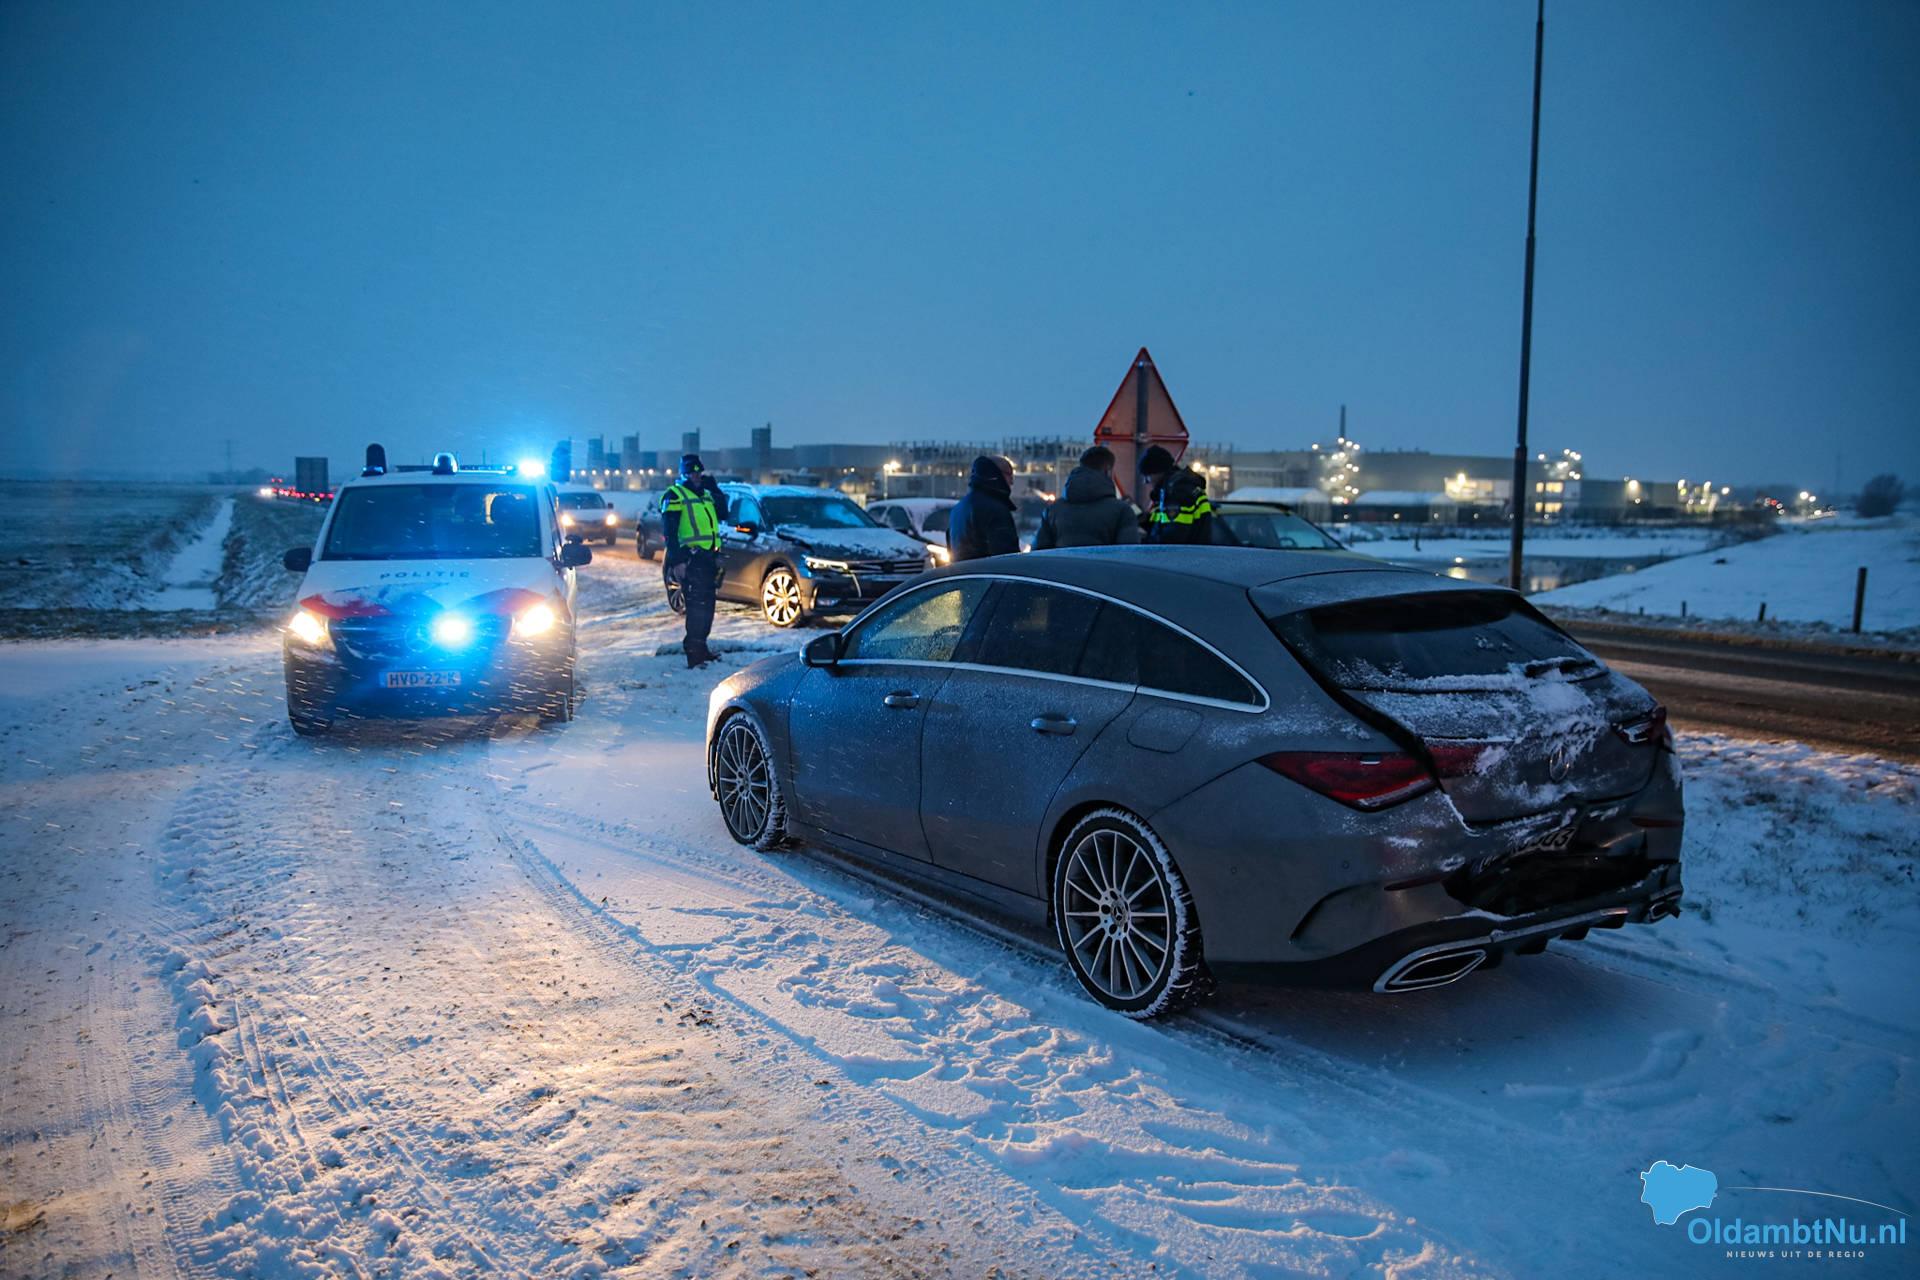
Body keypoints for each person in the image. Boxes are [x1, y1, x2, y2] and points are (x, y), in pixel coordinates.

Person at [660, 454, 729, 668]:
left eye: (699, 472)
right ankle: (693, 651)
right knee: (697, 607)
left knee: (707, 606)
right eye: (692, 472)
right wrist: (677, 561)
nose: (697, 476)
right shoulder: (674, 495)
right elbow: (669, 533)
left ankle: (702, 647)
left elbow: (723, 514)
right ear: (683, 473)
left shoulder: (706, 495)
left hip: (709, 558)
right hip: (691, 559)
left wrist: (715, 490)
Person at [1033, 446, 1140, 550]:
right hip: (1104, 568)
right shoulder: (1122, 511)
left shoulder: (1052, 511)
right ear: (1108, 471)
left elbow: (1039, 555)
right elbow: (1129, 555)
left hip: (1062, 568)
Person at [946, 454, 1019, 561]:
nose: (1011, 482)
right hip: (989, 575)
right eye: (1009, 474)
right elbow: (1007, 557)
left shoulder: (958, 509)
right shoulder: (995, 510)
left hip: (964, 574)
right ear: (996, 474)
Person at [1138, 445, 1214, 545]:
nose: (1146, 482)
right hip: (1193, 556)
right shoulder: (1179, 489)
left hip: (1183, 558)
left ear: (1158, 472)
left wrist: (1143, 544)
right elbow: (1162, 526)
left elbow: (1172, 539)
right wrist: (1140, 519)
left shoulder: (1176, 494)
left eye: (1147, 476)